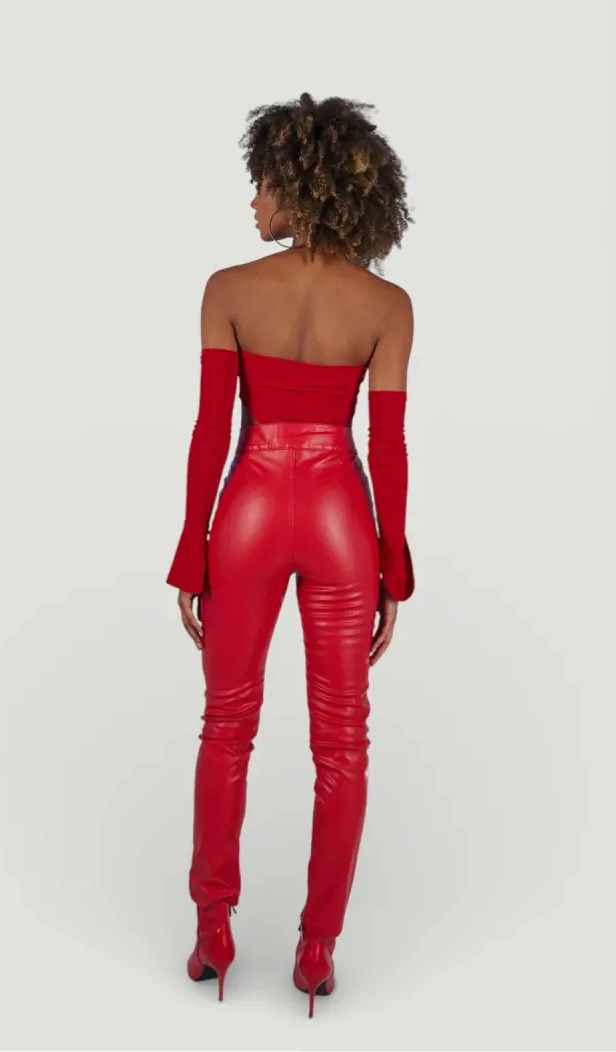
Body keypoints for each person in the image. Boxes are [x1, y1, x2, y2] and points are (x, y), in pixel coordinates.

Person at [167, 92, 415, 1017]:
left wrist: (191, 553)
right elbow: (387, 447)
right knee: (343, 743)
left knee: (226, 726)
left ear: (299, 187)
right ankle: (316, 951)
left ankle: (213, 932)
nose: (253, 201)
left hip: (250, 508)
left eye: (263, 183)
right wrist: (392, 568)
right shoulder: (388, 307)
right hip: (343, 516)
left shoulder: (227, 291)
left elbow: (209, 433)